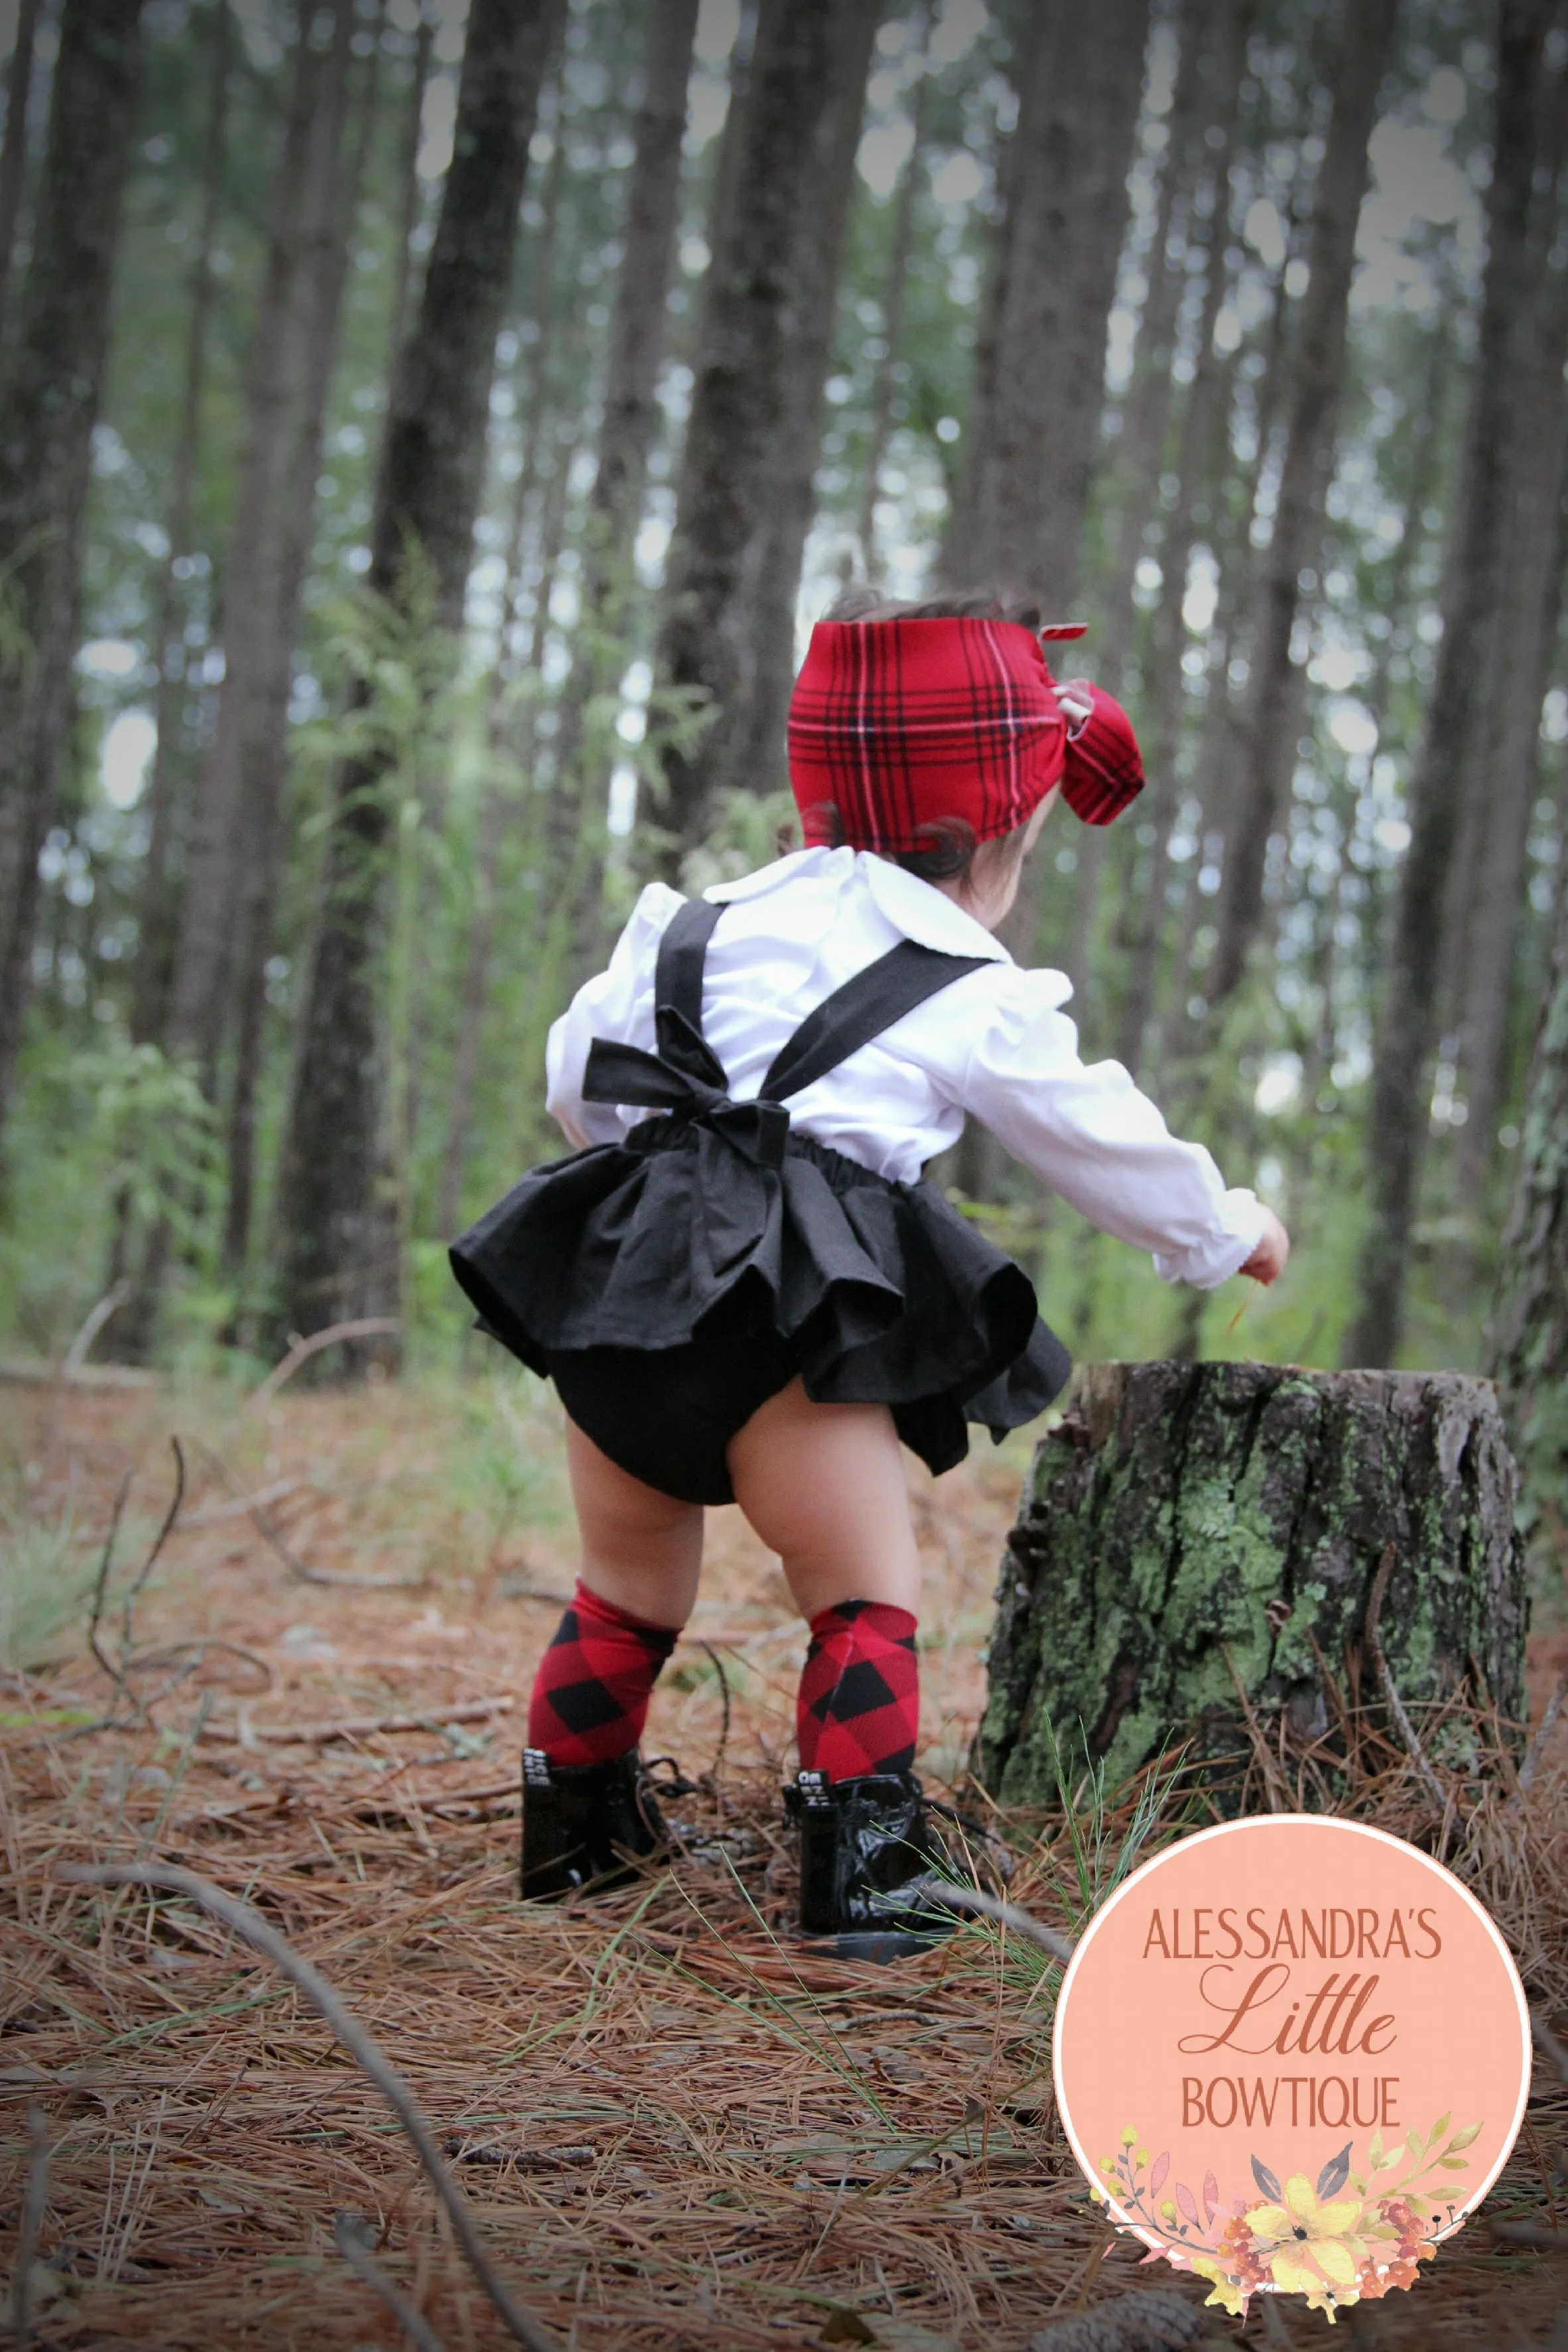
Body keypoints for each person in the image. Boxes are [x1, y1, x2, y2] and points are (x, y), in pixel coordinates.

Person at [450, 588, 1289, 1955]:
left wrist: (665, 1175)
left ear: (809, 799)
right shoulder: (963, 983)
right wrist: (1222, 1231)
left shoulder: (689, 925)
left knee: (624, 1584)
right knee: (859, 1590)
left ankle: (575, 1834)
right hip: (793, 1331)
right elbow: (1101, 1137)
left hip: (624, 1307)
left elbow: (574, 1074)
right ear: (1002, 837)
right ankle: (863, 1872)